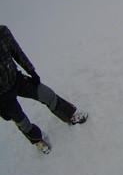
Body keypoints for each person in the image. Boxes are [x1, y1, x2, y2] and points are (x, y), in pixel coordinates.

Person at [0, 25, 88, 154]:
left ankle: (70, 115)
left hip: (17, 80)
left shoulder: (2, 32)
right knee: (22, 121)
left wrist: (31, 70)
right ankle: (37, 140)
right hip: (3, 97)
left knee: (46, 94)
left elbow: (17, 52)